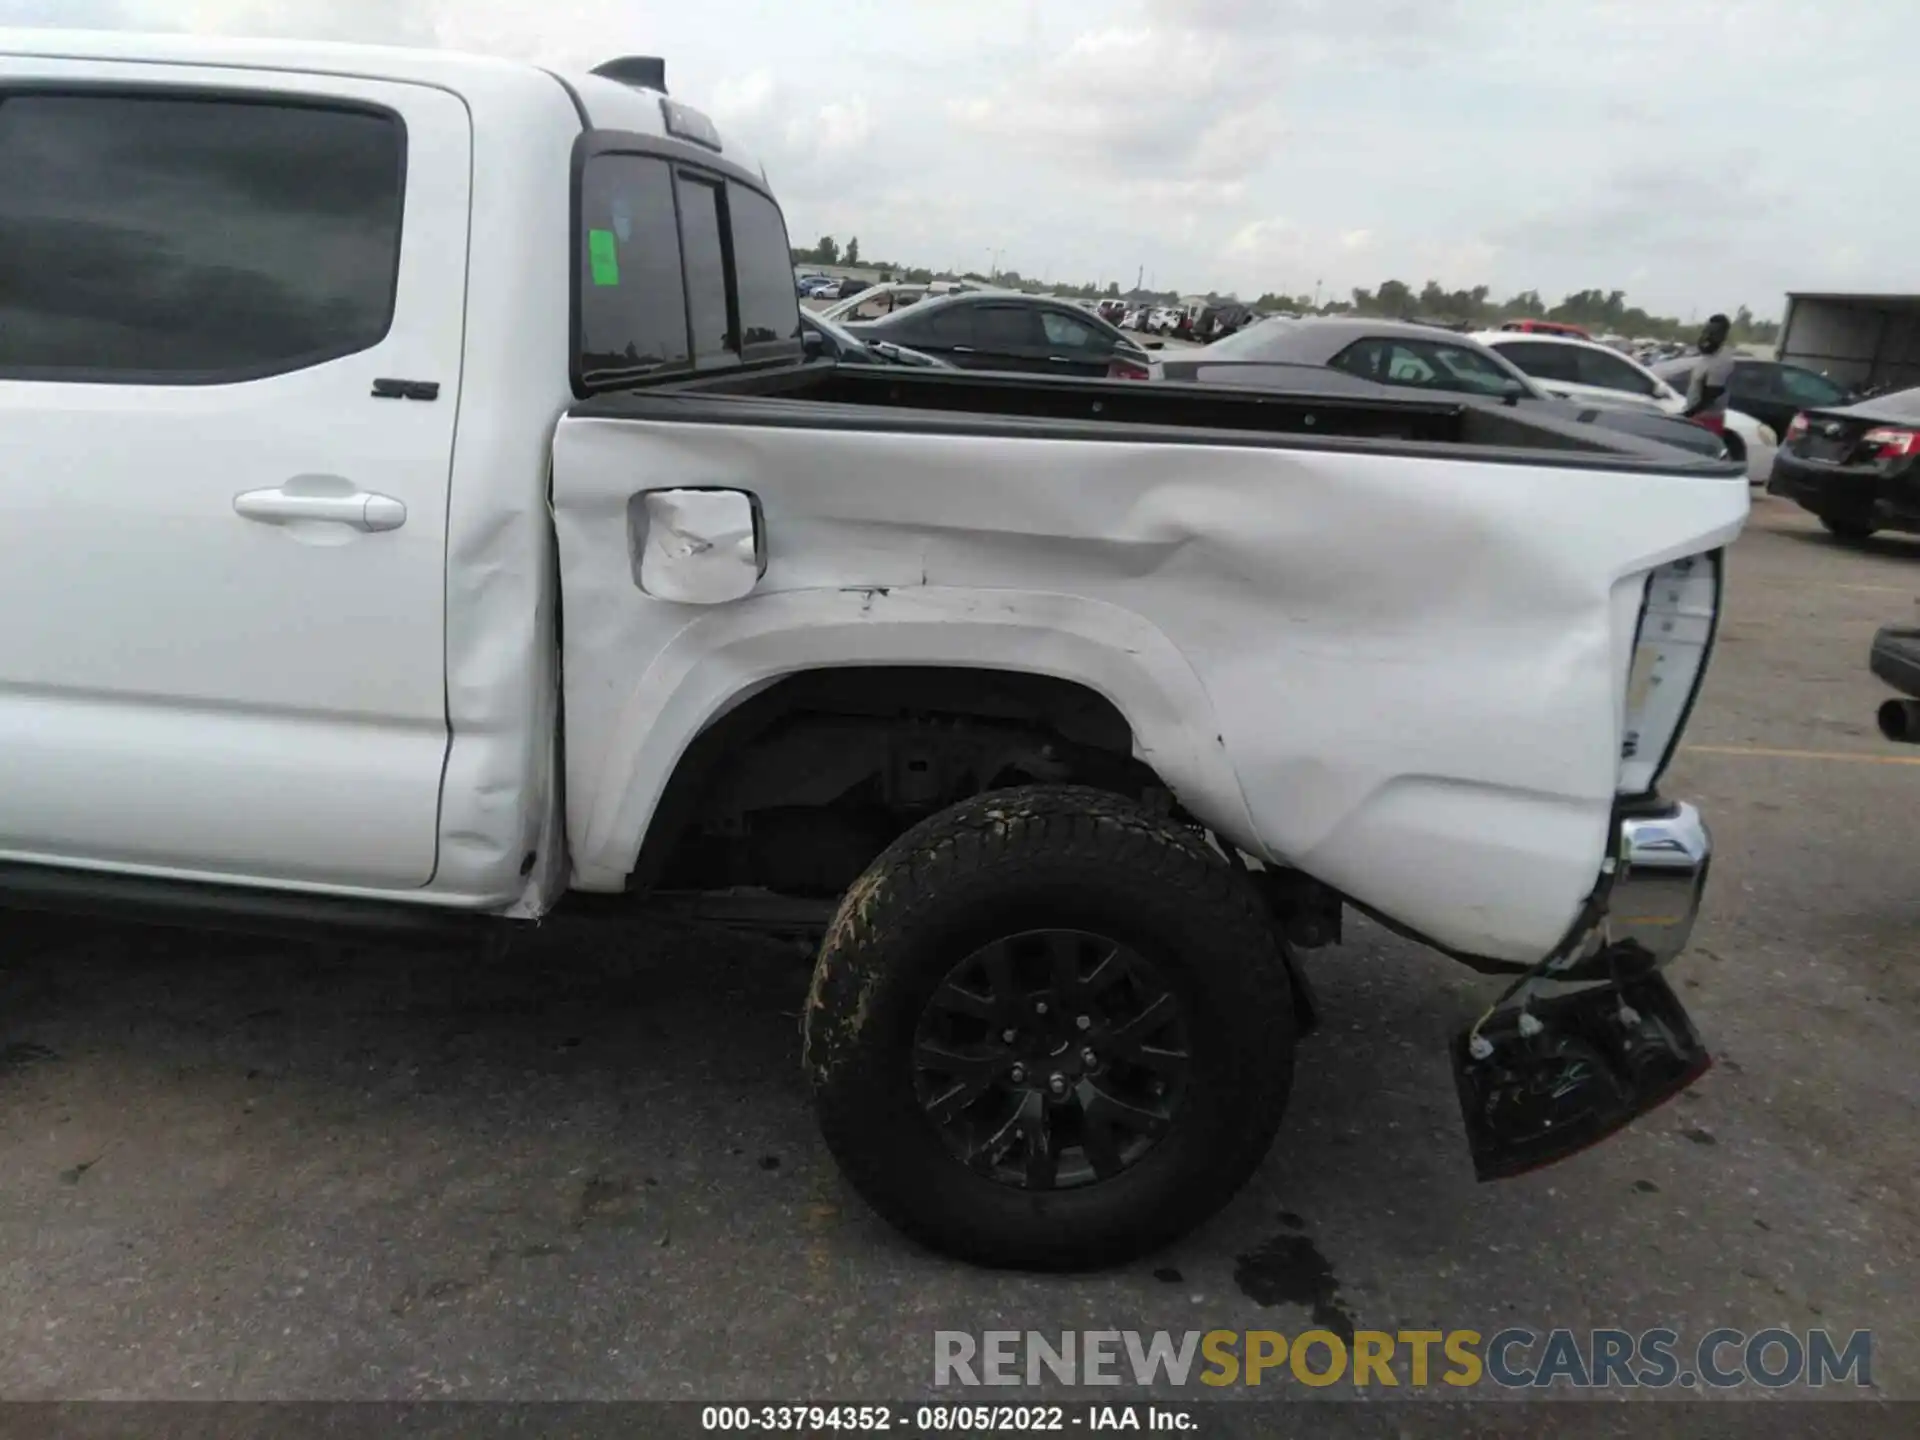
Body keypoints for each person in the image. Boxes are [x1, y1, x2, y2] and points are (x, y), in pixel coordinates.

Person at [1681, 313, 1737, 434]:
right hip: (1697, 418)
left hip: (1706, 421)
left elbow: (1712, 394)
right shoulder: (1707, 358)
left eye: (1713, 333)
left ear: (1723, 336)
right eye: (1706, 332)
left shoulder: (1722, 361)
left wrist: (1686, 415)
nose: (1706, 337)